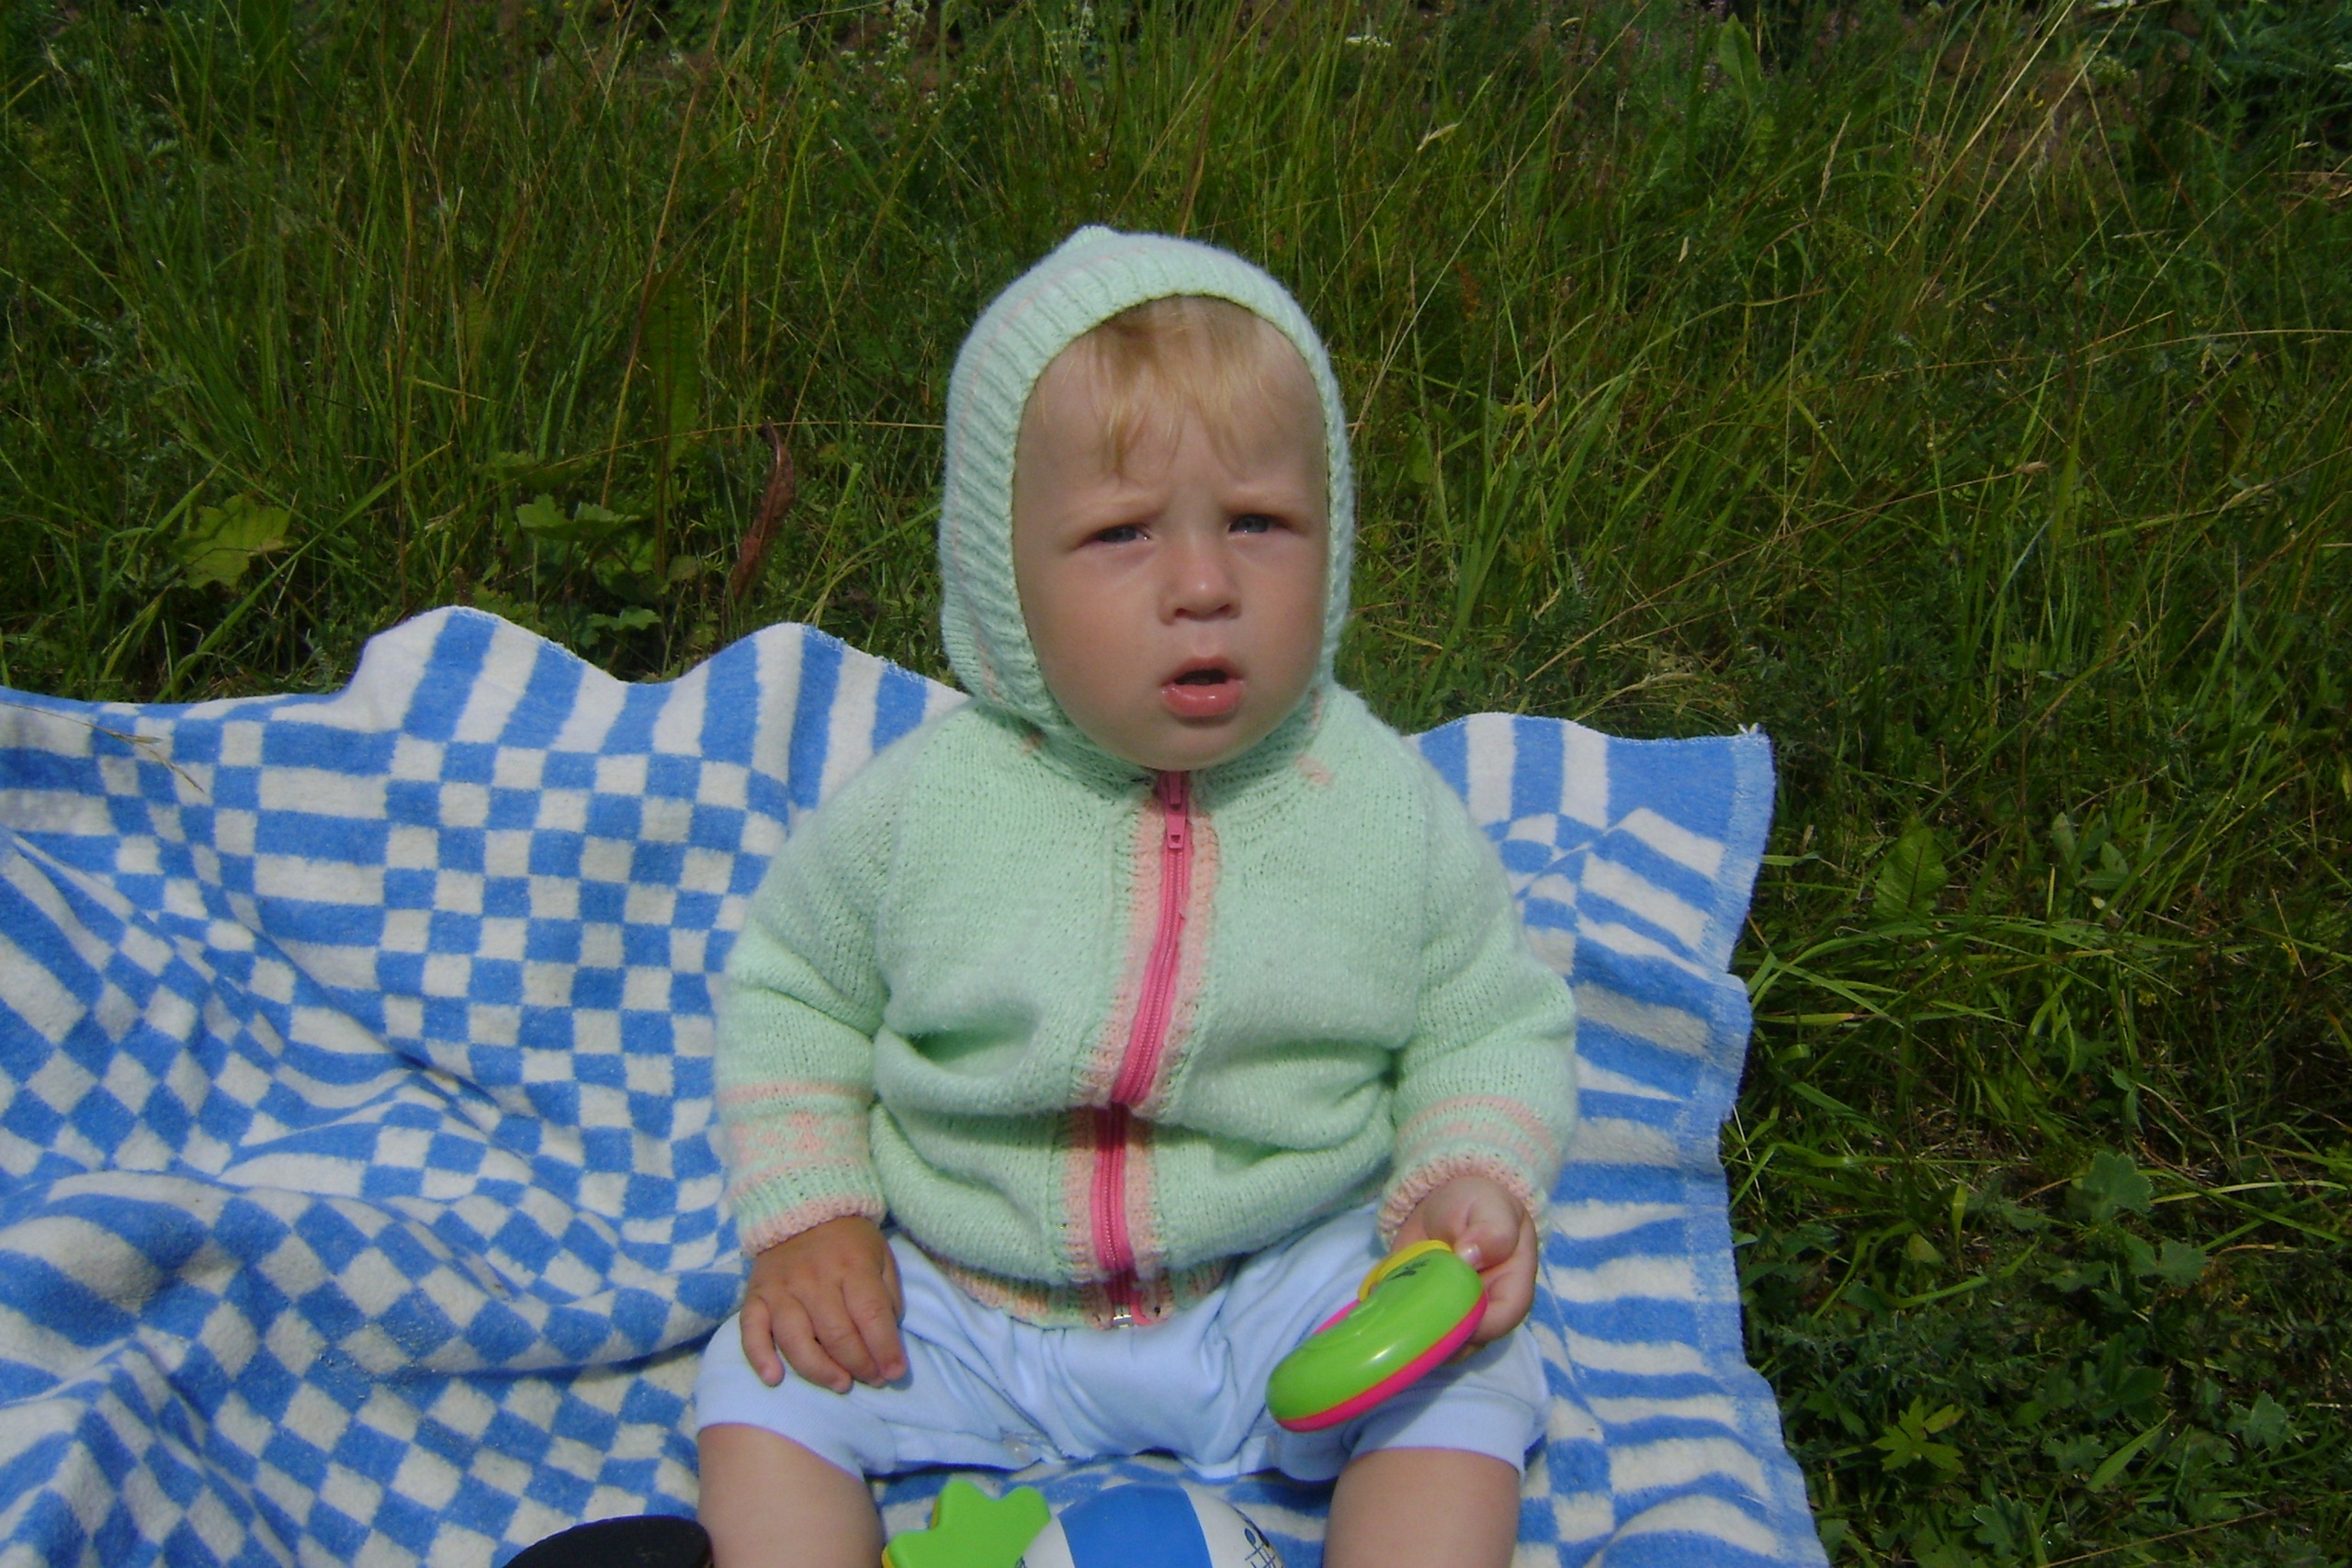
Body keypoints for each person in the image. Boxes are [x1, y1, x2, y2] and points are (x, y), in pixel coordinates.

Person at [693, 227, 1577, 1568]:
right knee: (760, 1380)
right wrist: (815, 1218)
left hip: (1281, 1280)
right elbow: (795, 995)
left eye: (1260, 523)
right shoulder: (926, 807)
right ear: (1003, 575)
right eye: (1120, 533)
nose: (1205, 587)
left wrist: (1467, 1177)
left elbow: (1488, 1022)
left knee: (1478, 1375)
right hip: (964, 1298)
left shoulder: (1383, 810)